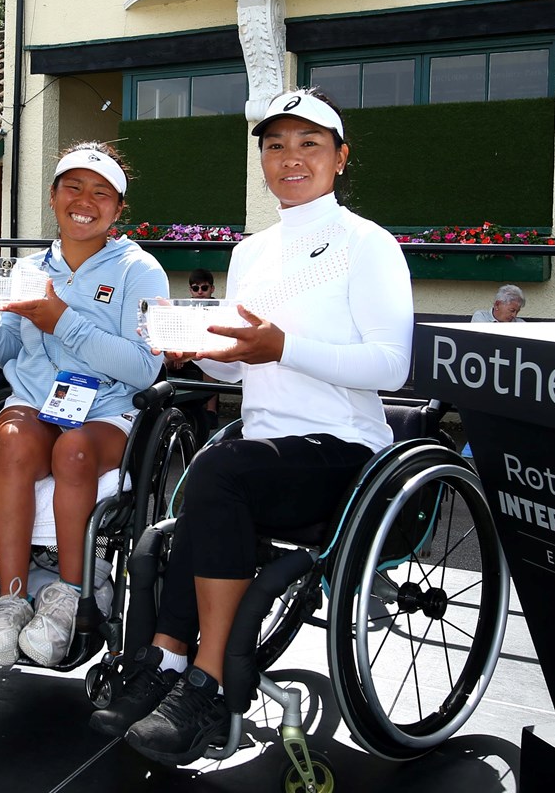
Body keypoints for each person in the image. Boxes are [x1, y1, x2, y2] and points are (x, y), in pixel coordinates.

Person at [90, 89, 413, 766]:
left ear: (340, 157)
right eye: (275, 145)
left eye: (309, 144)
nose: (291, 158)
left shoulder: (369, 245)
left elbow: (391, 364)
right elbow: (240, 370)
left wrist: (281, 347)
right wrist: (198, 347)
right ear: (262, 158)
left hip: (344, 453)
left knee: (218, 471)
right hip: (262, 447)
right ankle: (165, 662)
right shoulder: (252, 252)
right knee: (216, 476)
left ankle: (204, 682)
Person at [0, 142, 168, 668]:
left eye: (101, 193)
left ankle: (71, 597)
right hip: (36, 403)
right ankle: (9, 602)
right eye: (72, 186)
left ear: (118, 209)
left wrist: (59, 318)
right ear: (52, 196)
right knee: (10, 439)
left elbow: (144, 368)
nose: (84, 201)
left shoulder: (140, 271)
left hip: (107, 411)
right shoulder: (28, 268)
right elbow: (6, 349)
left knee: (73, 451)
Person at [165, 268, 220, 436]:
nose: (200, 292)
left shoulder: (217, 308)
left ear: (212, 289)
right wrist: (178, 354)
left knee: (208, 360)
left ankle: (212, 410)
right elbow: (177, 331)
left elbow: (213, 337)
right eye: (196, 288)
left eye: (204, 288)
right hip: (185, 347)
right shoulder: (184, 307)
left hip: (204, 350)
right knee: (163, 361)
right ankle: (164, 403)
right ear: (190, 290)